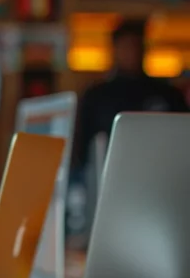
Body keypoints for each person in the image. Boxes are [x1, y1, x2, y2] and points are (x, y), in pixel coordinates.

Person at [73, 18, 189, 175]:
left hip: (162, 172)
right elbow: (82, 150)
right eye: (127, 46)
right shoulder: (96, 96)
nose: (132, 52)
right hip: (107, 175)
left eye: (137, 46)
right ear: (115, 50)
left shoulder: (168, 94)